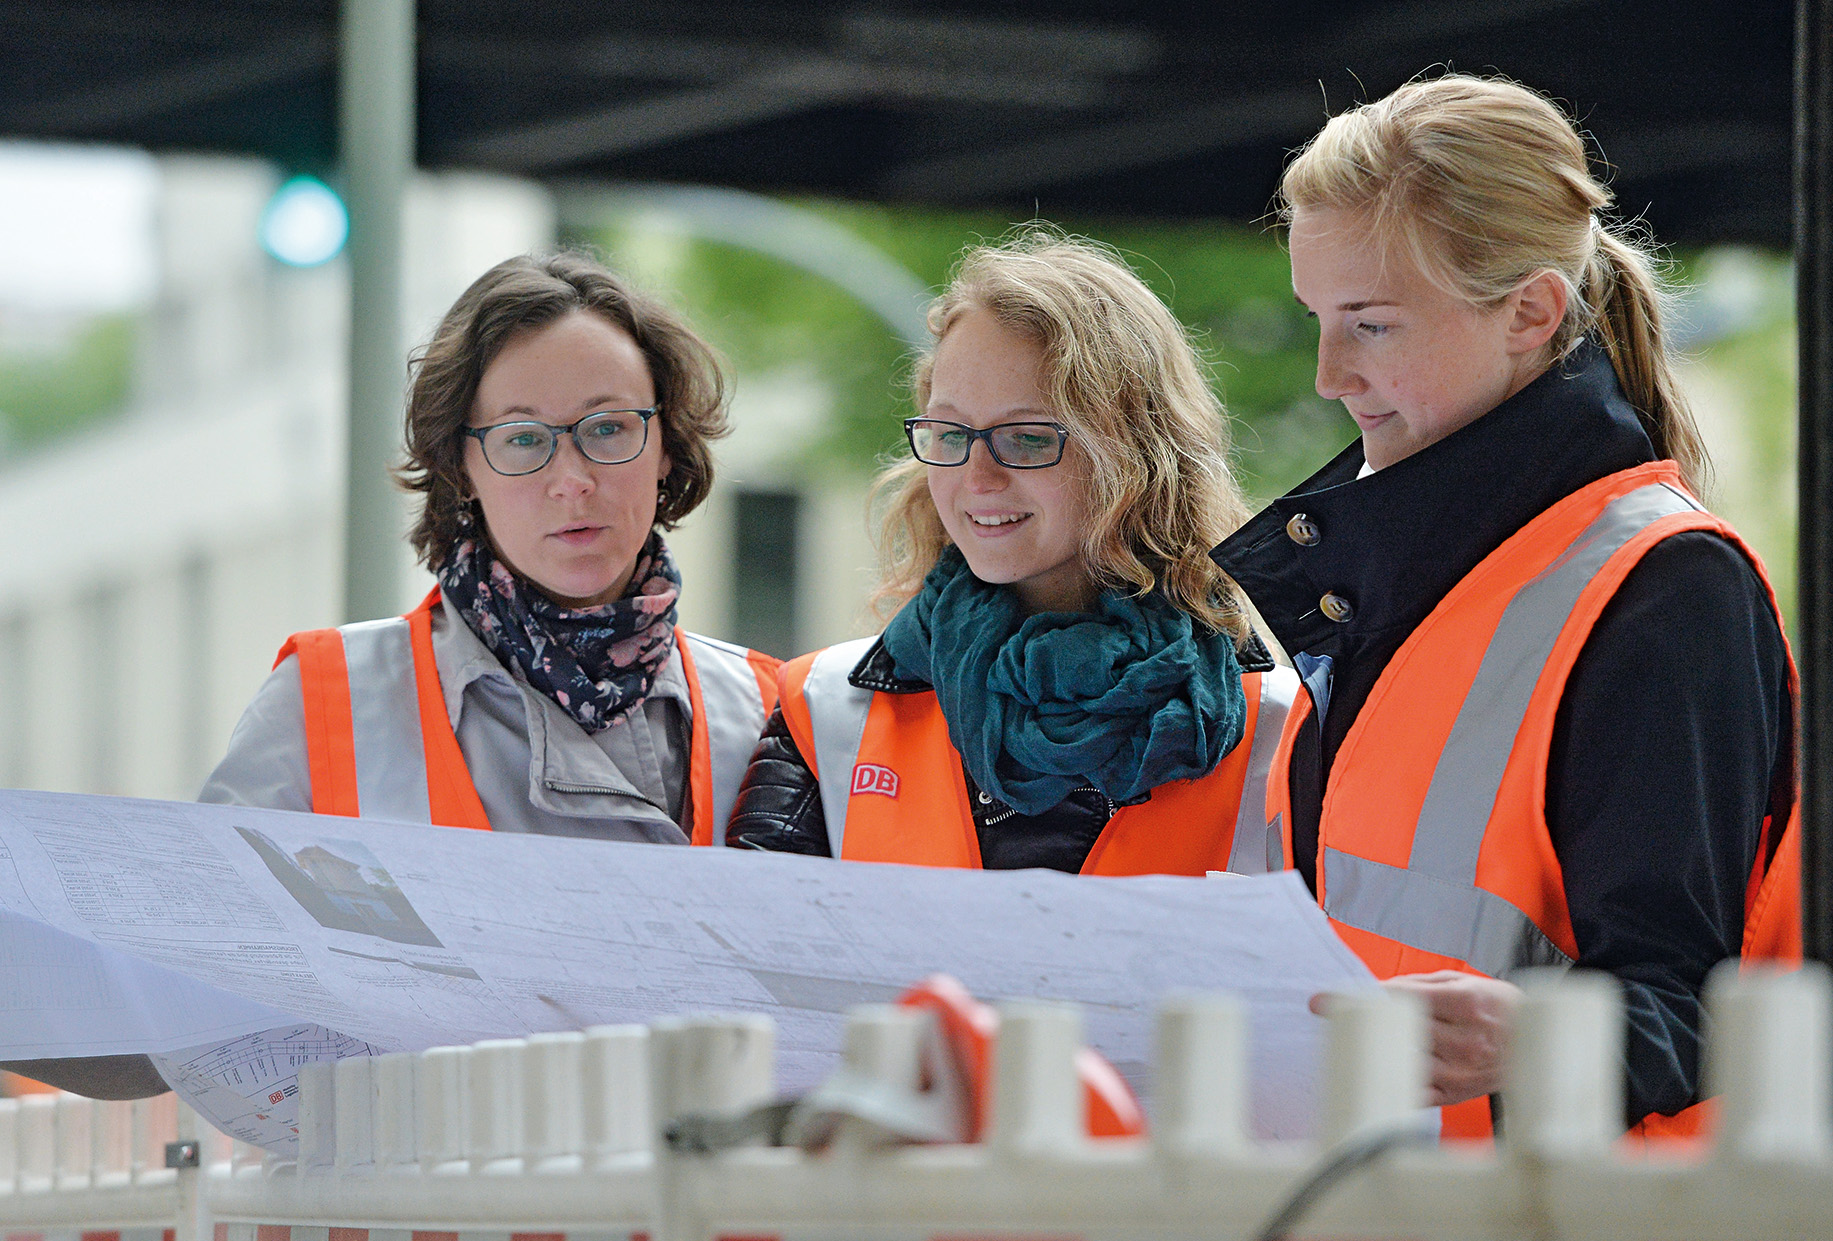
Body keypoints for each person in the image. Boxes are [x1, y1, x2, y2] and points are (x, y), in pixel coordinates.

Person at [1209, 76, 1800, 1140]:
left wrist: (1533, 1040)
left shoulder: (1666, 588)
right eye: (1317, 318)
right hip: (1378, 1222)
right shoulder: (1397, 577)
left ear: (1531, 311)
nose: (1330, 373)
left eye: (1372, 324)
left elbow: (1715, 1011)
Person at [728, 231, 1298, 878]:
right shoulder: (824, 708)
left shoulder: (1281, 728)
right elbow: (756, 970)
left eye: (1025, 438)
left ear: (1137, 457)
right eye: (949, 432)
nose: (976, 476)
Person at [200, 250, 779, 845]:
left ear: (666, 446)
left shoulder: (772, 711)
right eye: (523, 438)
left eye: (608, 427)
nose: (573, 480)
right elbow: (216, 927)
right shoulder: (326, 703)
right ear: (462, 470)